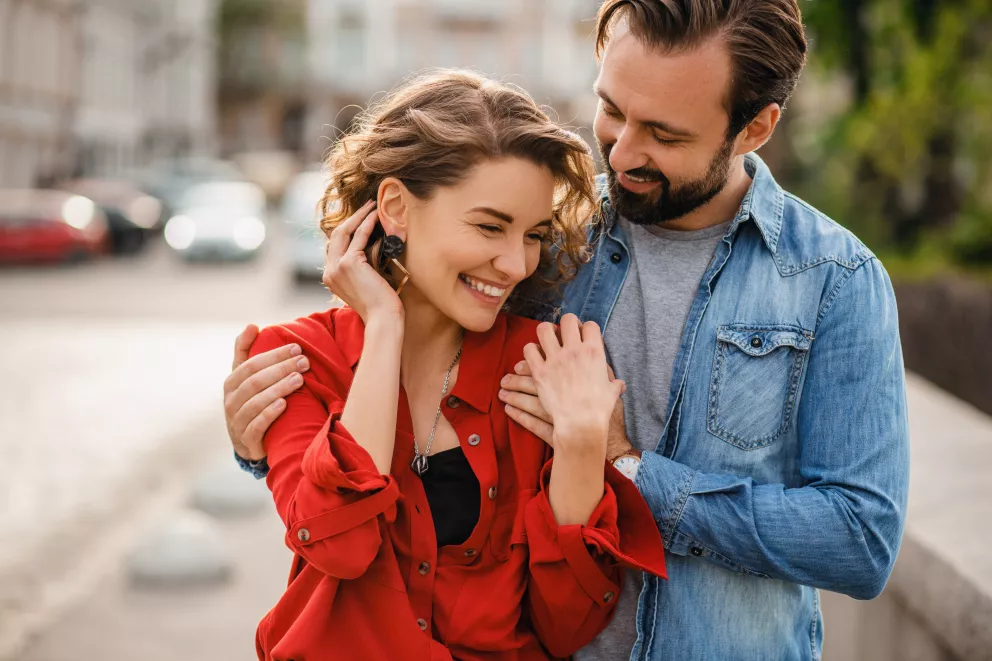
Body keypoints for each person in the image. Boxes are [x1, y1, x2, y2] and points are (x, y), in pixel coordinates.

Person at [226, 2, 911, 660]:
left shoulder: (834, 280)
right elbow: (415, 356)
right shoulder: (555, 244)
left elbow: (860, 539)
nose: (623, 153)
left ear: (755, 128)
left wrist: (625, 466)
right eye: (612, 110)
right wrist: (266, 434)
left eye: (666, 134)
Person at [239, 70, 667, 661]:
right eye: (489, 226)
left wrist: (582, 444)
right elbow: (342, 546)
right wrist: (384, 325)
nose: (515, 264)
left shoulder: (542, 366)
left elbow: (566, 623)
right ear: (395, 207)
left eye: (534, 234)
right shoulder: (296, 359)